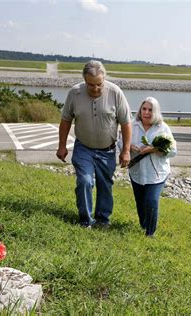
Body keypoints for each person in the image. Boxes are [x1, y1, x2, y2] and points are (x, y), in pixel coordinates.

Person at [56, 60, 131, 228]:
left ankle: (103, 219)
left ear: (104, 79)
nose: (95, 89)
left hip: (108, 150)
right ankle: (85, 220)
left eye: (99, 84)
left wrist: (125, 150)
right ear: (84, 80)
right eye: (91, 85)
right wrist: (62, 146)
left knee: (105, 185)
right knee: (85, 181)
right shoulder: (74, 93)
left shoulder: (115, 93)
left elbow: (126, 123)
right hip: (84, 148)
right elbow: (66, 120)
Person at [128, 97, 176, 237]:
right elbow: (121, 143)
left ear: (156, 112)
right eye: (144, 109)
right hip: (136, 172)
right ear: (140, 110)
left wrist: (153, 149)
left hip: (157, 174)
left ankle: (150, 233)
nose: (146, 113)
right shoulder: (132, 125)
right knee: (140, 202)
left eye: (150, 110)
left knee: (151, 200)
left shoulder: (163, 128)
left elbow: (173, 151)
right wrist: (130, 146)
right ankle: (144, 224)